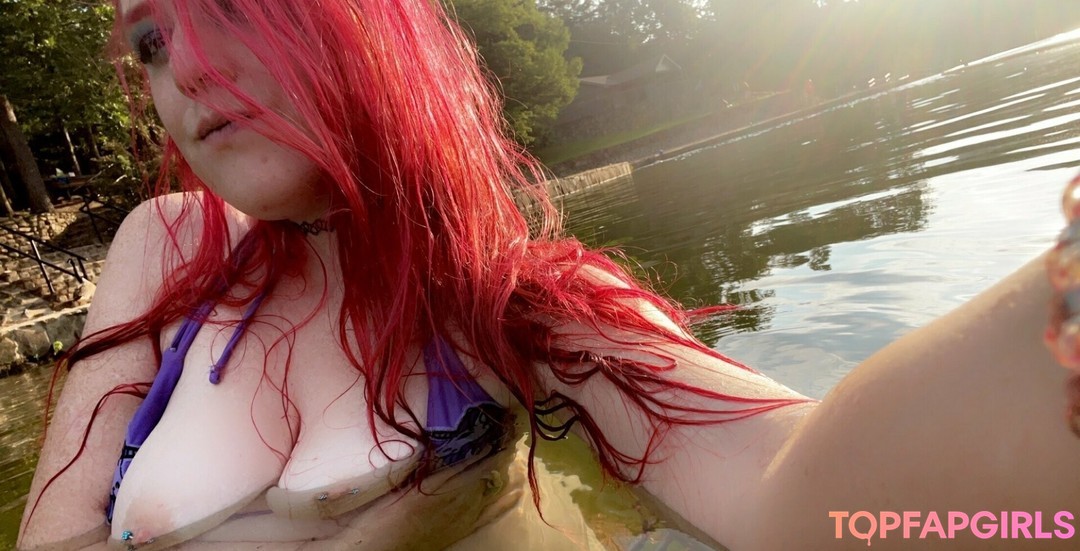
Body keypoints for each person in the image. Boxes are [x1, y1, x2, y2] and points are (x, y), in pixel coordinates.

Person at [15, 0, 1080, 549]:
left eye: (233, 6)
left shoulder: (509, 301)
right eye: (150, 42)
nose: (187, 70)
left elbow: (795, 494)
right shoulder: (168, 247)